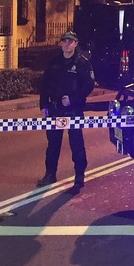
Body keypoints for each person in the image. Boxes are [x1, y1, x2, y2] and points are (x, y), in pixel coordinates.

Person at [37, 30, 95, 195]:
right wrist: (44, 105)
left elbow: (88, 87)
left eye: (71, 41)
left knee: (76, 144)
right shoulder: (54, 62)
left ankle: (79, 177)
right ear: (61, 43)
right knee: (53, 144)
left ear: (76, 44)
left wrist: (72, 99)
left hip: (73, 110)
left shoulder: (82, 63)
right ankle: (50, 175)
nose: (67, 44)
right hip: (55, 110)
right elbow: (45, 85)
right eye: (65, 41)